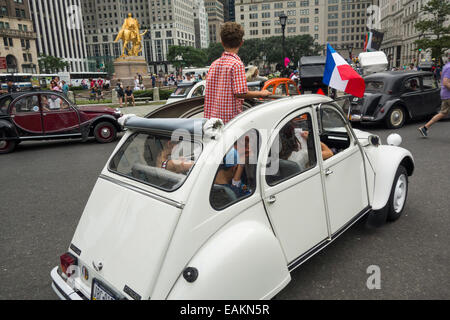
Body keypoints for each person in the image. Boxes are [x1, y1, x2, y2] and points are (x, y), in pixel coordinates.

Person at [204, 22, 271, 124]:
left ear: (222, 42)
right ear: (241, 43)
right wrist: (261, 93)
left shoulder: (214, 64)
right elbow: (240, 93)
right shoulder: (237, 64)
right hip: (229, 121)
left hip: (211, 122)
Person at [418, 60, 450, 137]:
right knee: (443, 113)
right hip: (448, 94)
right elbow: (446, 82)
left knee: (442, 113)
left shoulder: (446, 66)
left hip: (445, 94)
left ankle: (425, 128)